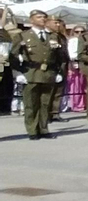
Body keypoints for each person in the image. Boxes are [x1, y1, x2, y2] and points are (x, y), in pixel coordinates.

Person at [13, 9, 66, 139]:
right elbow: (14, 55)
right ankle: (32, 130)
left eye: (44, 17)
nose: (42, 19)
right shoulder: (23, 36)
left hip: (48, 73)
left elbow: (60, 56)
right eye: (39, 17)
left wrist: (59, 71)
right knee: (31, 104)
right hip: (30, 73)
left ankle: (43, 129)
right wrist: (17, 72)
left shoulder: (52, 37)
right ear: (31, 20)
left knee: (45, 103)